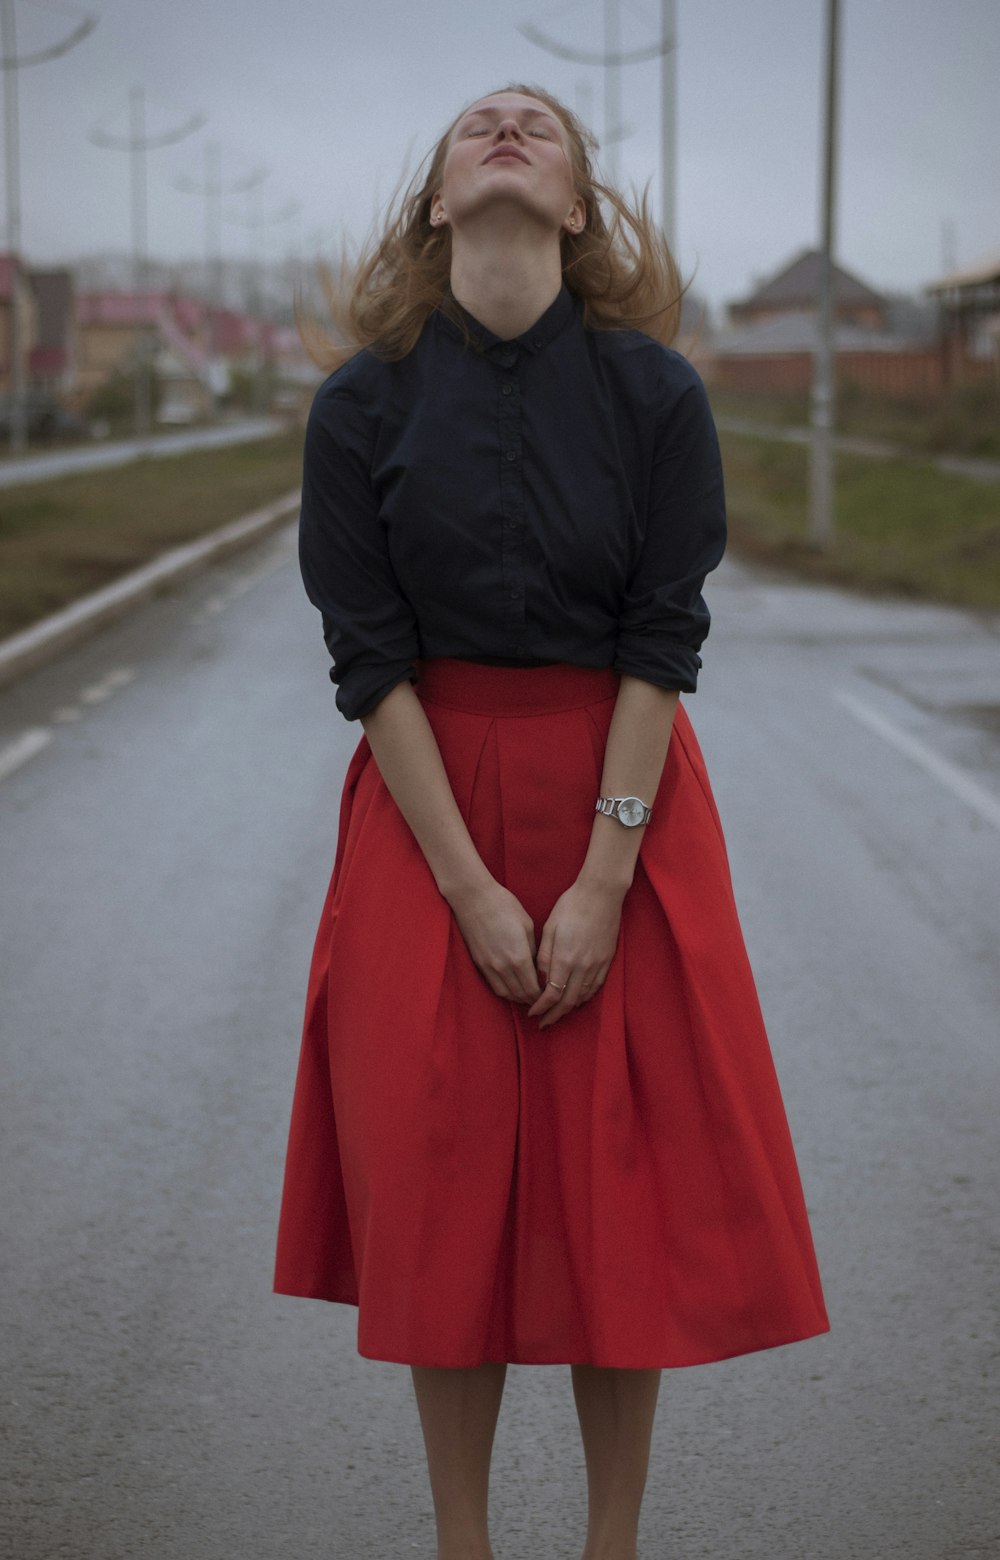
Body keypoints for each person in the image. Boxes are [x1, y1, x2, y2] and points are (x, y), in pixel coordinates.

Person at [274, 83, 829, 1560]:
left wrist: (601, 879)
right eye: (476, 125)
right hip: (427, 809)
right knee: (442, 1180)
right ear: (437, 204)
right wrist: (465, 888)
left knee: (612, 1188)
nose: (507, 125)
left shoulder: (657, 395)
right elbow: (369, 663)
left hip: (620, 799)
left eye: (540, 123)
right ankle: (463, 1542)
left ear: (577, 205)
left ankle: (611, 1544)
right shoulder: (359, 408)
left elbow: (664, 637)